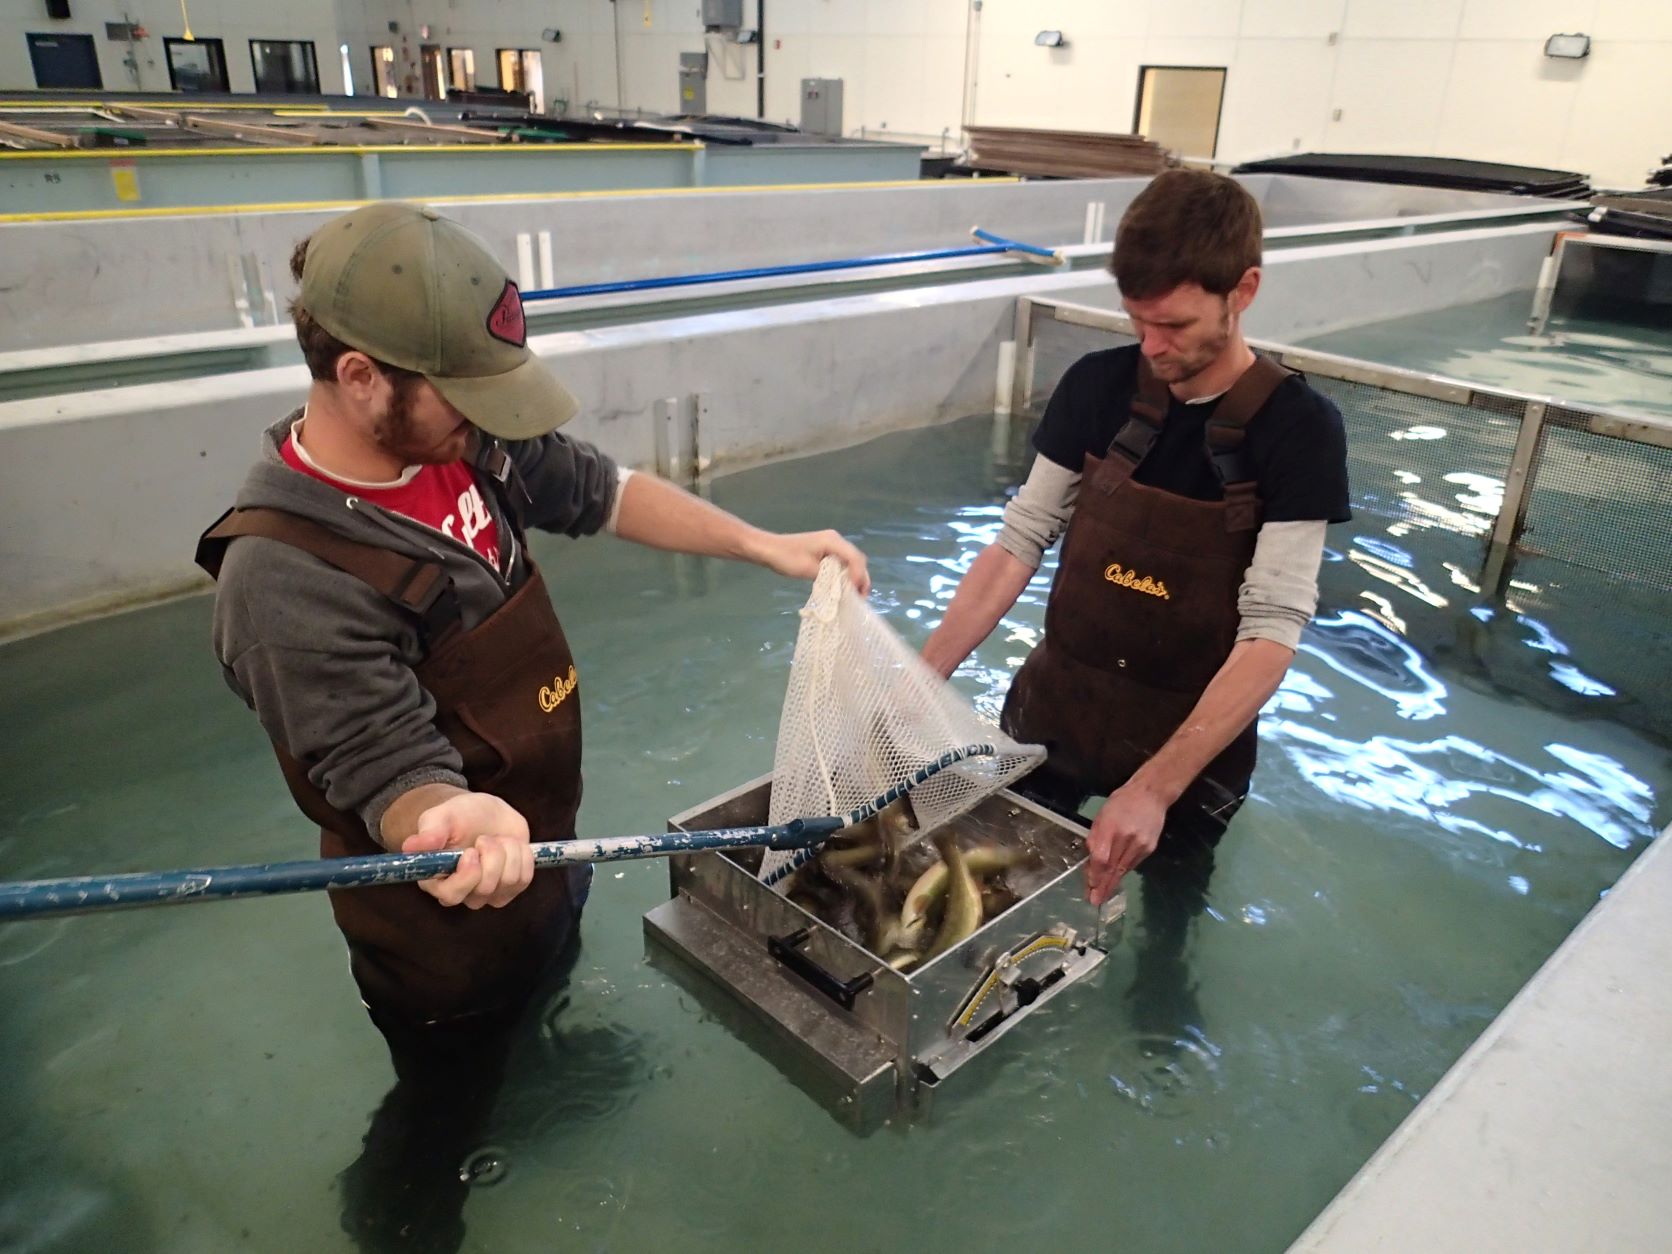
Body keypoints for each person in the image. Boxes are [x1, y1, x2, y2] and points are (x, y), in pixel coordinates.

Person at [194, 201, 868, 1251]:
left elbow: (601, 492)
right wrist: (452, 814)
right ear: (361, 376)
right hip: (442, 917)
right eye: (462, 397)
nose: (485, 419)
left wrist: (765, 544)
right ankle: (403, 1217)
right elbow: (383, 769)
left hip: (542, 846)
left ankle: (533, 1051)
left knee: (539, 990)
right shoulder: (283, 578)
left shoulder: (469, 447)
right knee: (440, 1105)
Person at [923, 170, 1350, 1030]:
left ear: (1245, 292)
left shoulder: (1300, 430)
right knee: (993, 879)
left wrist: (1156, 786)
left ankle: (1162, 977)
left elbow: (1272, 630)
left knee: (1173, 891)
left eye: (1177, 325)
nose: (1151, 346)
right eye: (1137, 320)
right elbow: (1020, 540)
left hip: (1192, 738)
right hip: (1062, 705)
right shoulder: (1095, 388)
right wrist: (920, 675)